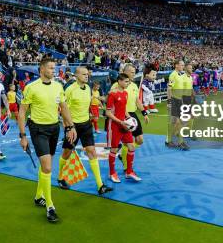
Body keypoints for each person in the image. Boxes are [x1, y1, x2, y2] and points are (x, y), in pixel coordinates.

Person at [18, 57, 77, 223]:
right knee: (48, 166)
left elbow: (64, 108)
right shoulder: (31, 88)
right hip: (38, 129)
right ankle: (50, 206)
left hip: (54, 128)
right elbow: (22, 112)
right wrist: (22, 136)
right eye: (51, 68)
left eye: (54, 67)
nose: (54, 70)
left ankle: (38, 196)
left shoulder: (58, 87)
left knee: (46, 166)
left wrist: (70, 126)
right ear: (42, 69)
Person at [56, 66, 113, 195]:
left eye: (87, 74)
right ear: (76, 76)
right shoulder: (70, 90)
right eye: (84, 74)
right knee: (67, 153)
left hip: (86, 124)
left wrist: (89, 115)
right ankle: (60, 178)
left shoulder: (87, 88)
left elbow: (85, 104)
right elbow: (63, 109)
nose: (87, 76)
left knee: (92, 151)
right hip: (73, 127)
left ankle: (100, 185)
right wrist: (68, 127)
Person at [109, 64, 149, 171]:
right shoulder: (116, 86)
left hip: (133, 115)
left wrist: (144, 113)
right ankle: (126, 167)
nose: (134, 74)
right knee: (127, 142)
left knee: (140, 140)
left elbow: (137, 101)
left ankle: (123, 155)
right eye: (132, 72)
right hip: (122, 116)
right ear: (125, 72)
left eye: (134, 72)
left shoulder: (134, 86)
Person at [106, 73, 141, 182]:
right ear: (119, 81)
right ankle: (112, 173)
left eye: (128, 81)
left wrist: (130, 119)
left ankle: (129, 172)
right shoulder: (113, 94)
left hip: (125, 125)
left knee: (131, 147)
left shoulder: (125, 93)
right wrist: (120, 122)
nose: (128, 83)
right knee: (114, 149)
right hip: (115, 126)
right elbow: (108, 113)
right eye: (126, 81)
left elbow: (124, 108)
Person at [166, 60, 192, 150]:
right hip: (174, 100)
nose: (183, 66)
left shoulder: (180, 75)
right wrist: (169, 101)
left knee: (179, 122)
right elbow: (169, 88)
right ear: (176, 65)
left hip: (180, 100)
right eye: (181, 65)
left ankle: (179, 141)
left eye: (183, 65)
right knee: (174, 122)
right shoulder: (173, 75)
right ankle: (170, 141)